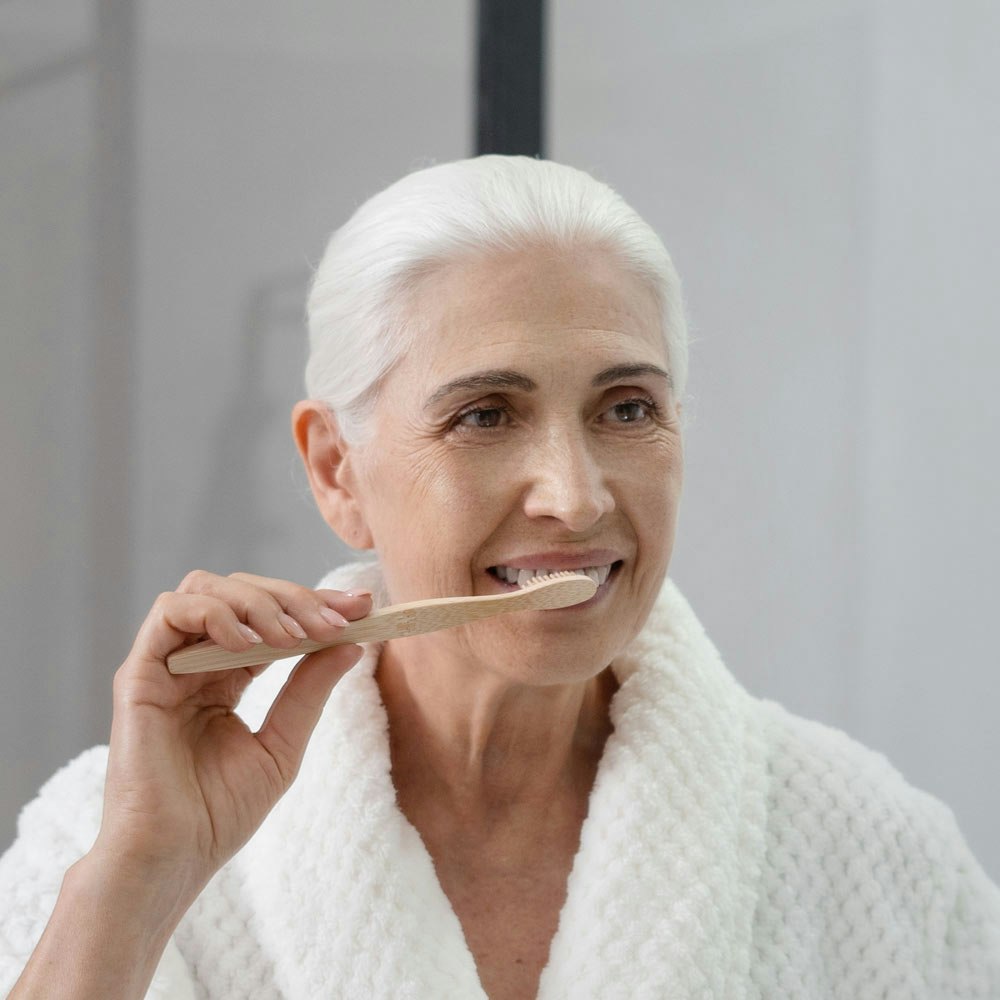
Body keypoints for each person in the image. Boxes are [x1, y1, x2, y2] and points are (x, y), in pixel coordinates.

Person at [3, 156, 999, 1000]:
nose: (573, 497)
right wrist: (136, 881)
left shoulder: (870, 852)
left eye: (625, 409)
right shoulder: (112, 843)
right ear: (335, 470)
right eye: (484, 415)